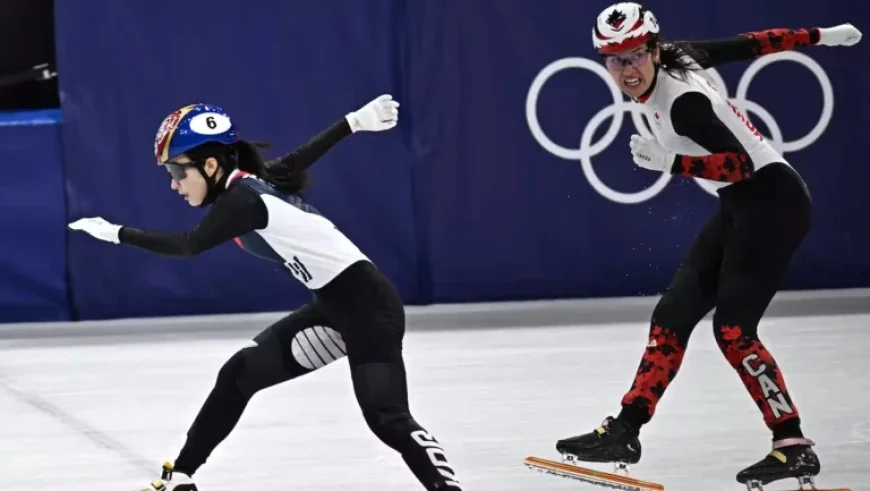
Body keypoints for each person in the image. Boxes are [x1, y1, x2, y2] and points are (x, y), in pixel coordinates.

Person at [68, 96, 463, 491]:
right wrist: (352, 122)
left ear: (210, 165)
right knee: (238, 375)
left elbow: (188, 245)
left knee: (387, 417)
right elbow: (299, 158)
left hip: (369, 309)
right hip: (332, 309)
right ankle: (182, 477)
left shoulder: (244, 199)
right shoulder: (252, 186)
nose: (173, 183)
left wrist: (117, 233)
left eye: (176, 170)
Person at [554, 3, 861, 489]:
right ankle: (625, 431)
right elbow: (753, 43)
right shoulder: (677, 55)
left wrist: (673, 163)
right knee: (672, 315)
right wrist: (821, 35)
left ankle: (793, 444)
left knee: (734, 330)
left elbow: (742, 165)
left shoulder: (684, 104)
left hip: (773, 203)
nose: (626, 70)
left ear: (653, 49)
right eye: (614, 60)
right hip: (742, 204)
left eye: (635, 56)